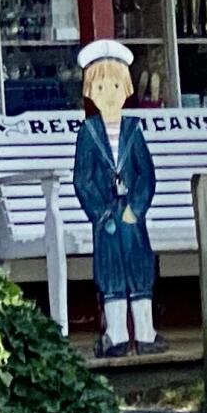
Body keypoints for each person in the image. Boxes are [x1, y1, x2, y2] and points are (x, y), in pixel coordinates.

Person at [73, 38, 162, 355]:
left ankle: (146, 333)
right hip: (107, 218)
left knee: (139, 269)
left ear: (125, 89)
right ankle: (117, 335)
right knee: (111, 273)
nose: (108, 95)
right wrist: (101, 213)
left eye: (114, 86)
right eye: (100, 88)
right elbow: (83, 178)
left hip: (131, 217)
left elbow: (146, 174)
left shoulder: (134, 130)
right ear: (90, 92)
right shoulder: (88, 133)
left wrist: (136, 207)